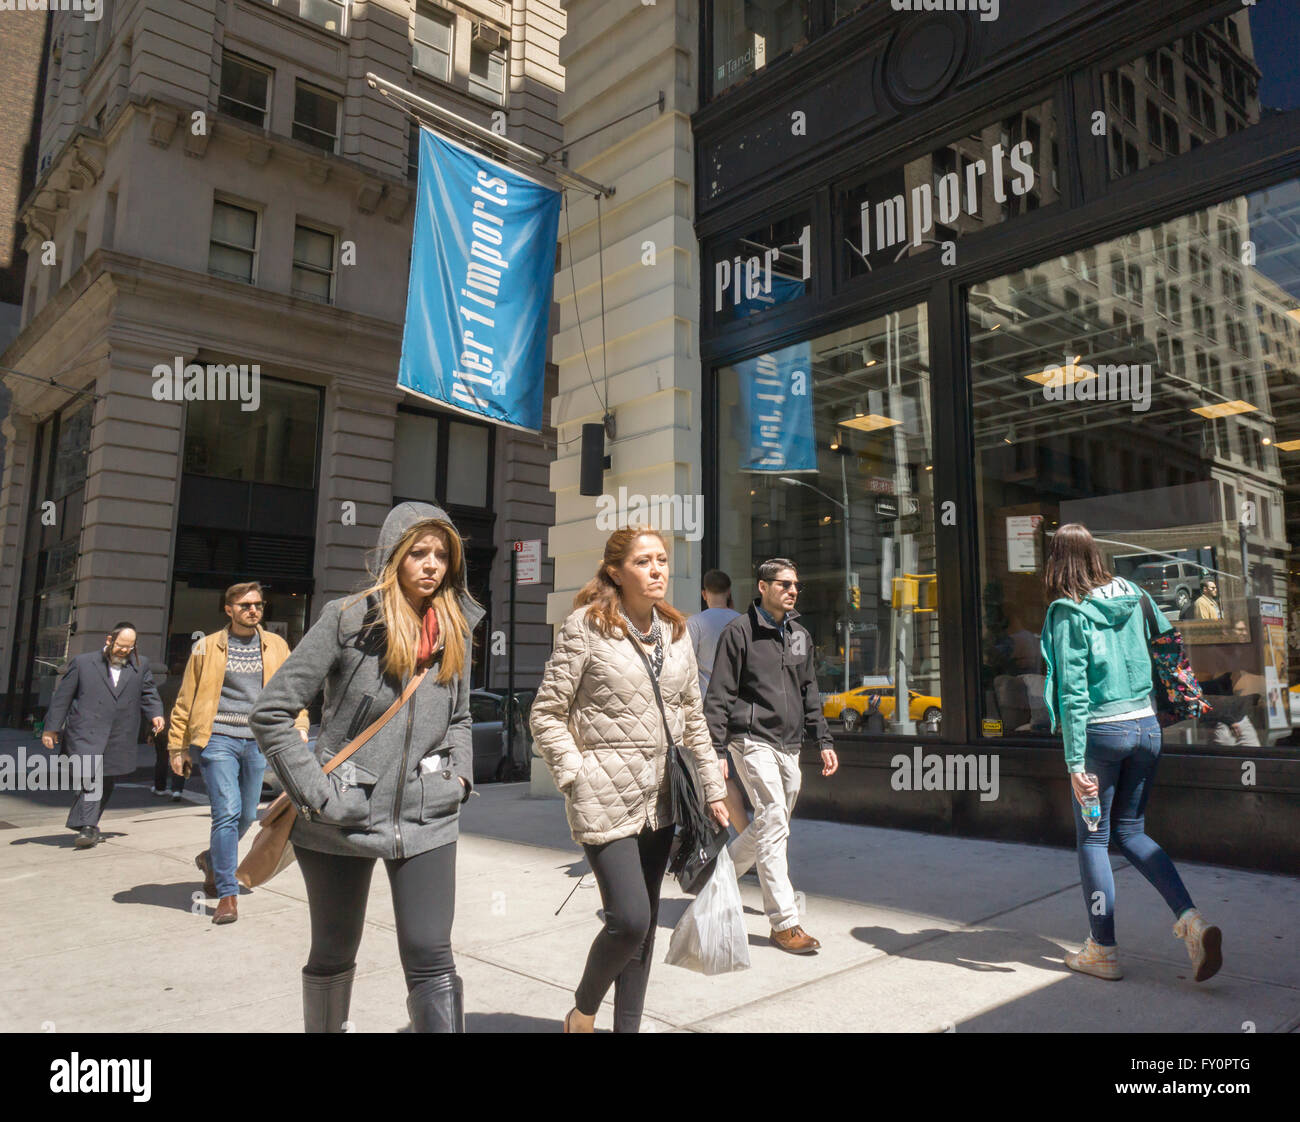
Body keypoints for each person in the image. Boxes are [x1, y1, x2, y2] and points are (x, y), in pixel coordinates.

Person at [249, 502, 482, 1033]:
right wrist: (319, 795)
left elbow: (461, 717)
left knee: (431, 953)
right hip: (342, 817)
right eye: (418, 553)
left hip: (428, 814)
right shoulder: (348, 618)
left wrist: (460, 779)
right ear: (393, 556)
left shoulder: (456, 628)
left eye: (442, 555)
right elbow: (272, 712)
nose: (431, 565)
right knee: (333, 950)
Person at [530, 528, 729, 1033]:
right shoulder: (585, 628)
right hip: (604, 797)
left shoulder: (677, 632)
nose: (658, 569)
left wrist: (712, 788)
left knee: (643, 933)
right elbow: (546, 713)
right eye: (644, 561)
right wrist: (576, 774)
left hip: (663, 797)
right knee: (630, 919)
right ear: (616, 571)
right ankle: (582, 1011)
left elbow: (692, 715)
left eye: (662, 559)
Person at [1041, 523, 1222, 983]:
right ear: (1096, 554)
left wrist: (1074, 762)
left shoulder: (1068, 610)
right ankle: (1192, 920)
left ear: (1057, 560)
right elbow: (1167, 647)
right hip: (1145, 728)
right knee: (1133, 832)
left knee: (1095, 839)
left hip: (1102, 735)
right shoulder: (1135, 594)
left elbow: (1073, 693)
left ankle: (1102, 949)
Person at [703, 557, 839, 955]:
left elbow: (809, 690)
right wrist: (714, 751)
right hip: (751, 739)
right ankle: (784, 922)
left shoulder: (798, 634)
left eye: (796, 584)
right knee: (775, 820)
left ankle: (716, 881)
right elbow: (720, 696)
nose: (792, 590)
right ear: (762, 587)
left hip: (790, 744)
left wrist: (824, 740)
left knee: (768, 823)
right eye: (783, 583)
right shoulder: (739, 632)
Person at [168, 583, 309, 925]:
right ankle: (227, 895)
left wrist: (301, 721)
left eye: (258, 605)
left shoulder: (276, 645)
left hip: (257, 740)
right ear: (228, 609)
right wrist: (178, 745)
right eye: (245, 605)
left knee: (248, 813)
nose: (253, 610)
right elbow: (187, 698)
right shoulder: (205, 647)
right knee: (227, 813)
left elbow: (292, 689)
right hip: (217, 739)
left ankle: (212, 860)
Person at [42, 623, 165, 848]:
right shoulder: (83, 663)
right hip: (84, 731)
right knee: (91, 775)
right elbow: (63, 697)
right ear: (109, 640)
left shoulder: (141, 664)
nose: (124, 651)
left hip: (119, 733)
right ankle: (87, 827)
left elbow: (149, 692)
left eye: (129, 647)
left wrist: (155, 714)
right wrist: (51, 728)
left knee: (107, 779)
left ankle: (86, 824)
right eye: (120, 646)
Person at [687, 569, 749, 832]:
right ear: (729, 593)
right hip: (741, 708)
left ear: (704, 594)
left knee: (720, 777)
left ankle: (746, 837)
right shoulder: (744, 622)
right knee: (734, 775)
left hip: (707, 712)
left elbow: (685, 668)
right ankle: (735, 834)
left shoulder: (696, 624)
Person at [150, 721, 185, 801]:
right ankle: (177, 789)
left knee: (162, 759)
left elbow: (155, 716)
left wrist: (151, 733)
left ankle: (160, 788)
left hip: (162, 730)